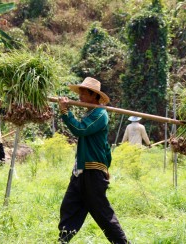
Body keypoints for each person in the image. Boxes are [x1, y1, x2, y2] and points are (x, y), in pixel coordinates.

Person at [57, 77, 129, 243]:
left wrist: (65, 112)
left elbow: (80, 130)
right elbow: (105, 147)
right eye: (80, 91)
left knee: (102, 213)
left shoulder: (99, 114)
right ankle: (63, 240)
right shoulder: (91, 113)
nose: (80, 95)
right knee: (70, 206)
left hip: (92, 171)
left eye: (83, 92)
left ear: (93, 95)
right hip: (81, 170)